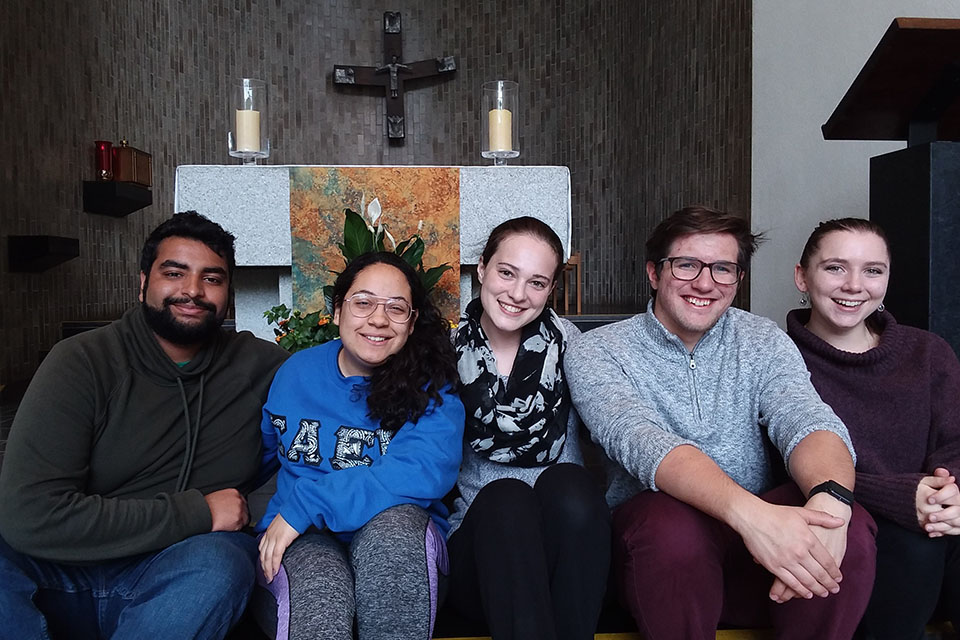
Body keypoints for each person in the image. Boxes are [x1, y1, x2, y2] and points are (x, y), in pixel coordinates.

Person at [564, 205, 877, 640]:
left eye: (723, 269)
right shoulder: (599, 351)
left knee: (847, 525)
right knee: (669, 527)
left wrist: (832, 500)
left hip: (765, 566)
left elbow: (805, 418)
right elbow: (641, 440)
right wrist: (753, 519)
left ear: (738, 280)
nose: (705, 282)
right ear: (654, 273)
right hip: (660, 559)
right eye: (687, 264)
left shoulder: (763, 339)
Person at [0, 211, 289, 639]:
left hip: (176, 570)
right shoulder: (81, 361)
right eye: (174, 273)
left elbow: (344, 384)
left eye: (212, 278)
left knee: (224, 561)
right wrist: (197, 511)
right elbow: (30, 515)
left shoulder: (263, 368)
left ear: (230, 292)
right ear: (142, 283)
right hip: (56, 572)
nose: (192, 291)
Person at [251, 251, 465, 640]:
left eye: (396, 308)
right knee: (320, 593)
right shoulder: (295, 374)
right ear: (337, 311)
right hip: (303, 539)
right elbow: (258, 457)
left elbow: (417, 474)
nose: (379, 319)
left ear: (412, 321)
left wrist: (307, 503)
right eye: (363, 303)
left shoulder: (432, 388)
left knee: (394, 537)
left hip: (398, 540)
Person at [788, 217, 960, 639]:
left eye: (872, 270)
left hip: (936, 524)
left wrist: (952, 494)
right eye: (834, 267)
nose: (853, 285)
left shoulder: (928, 352)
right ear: (802, 277)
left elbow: (954, 445)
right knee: (913, 544)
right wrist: (901, 496)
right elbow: (781, 470)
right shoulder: (779, 359)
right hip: (855, 530)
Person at [445, 217, 610, 640]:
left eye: (537, 283)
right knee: (507, 498)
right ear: (481, 268)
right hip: (483, 557)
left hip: (561, 557)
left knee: (570, 485)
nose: (518, 295)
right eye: (506, 273)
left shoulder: (570, 342)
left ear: (551, 289)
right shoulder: (443, 351)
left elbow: (614, 419)